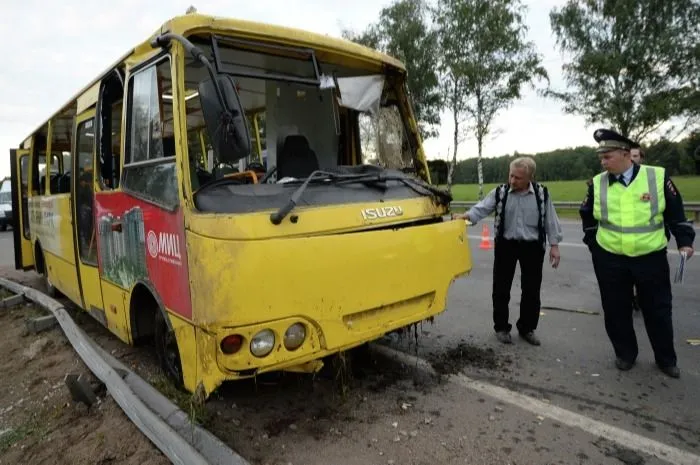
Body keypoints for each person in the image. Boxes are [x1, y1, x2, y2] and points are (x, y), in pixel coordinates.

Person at [580, 129, 695, 378]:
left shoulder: (657, 177)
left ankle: (666, 359)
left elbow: (676, 213)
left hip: (650, 257)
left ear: (625, 155)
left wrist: (685, 241)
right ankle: (625, 354)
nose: (603, 162)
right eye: (601, 157)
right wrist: (594, 244)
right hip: (610, 258)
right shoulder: (597, 182)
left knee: (658, 310)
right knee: (615, 310)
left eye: (607, 156)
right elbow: (587, 215)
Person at [453, 157, 563, 345]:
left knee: (531, 290)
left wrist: (554, 246)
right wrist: (465, 217)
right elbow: (482, 209)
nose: (512, 181)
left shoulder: (541, 194)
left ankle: (527, 328)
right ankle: (501, 327)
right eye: (511, 175)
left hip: (532, 247)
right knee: (501, 288)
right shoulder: (500, 192)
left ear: (530, 177)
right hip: (506, 246)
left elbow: (550, 221)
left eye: (518, 178)